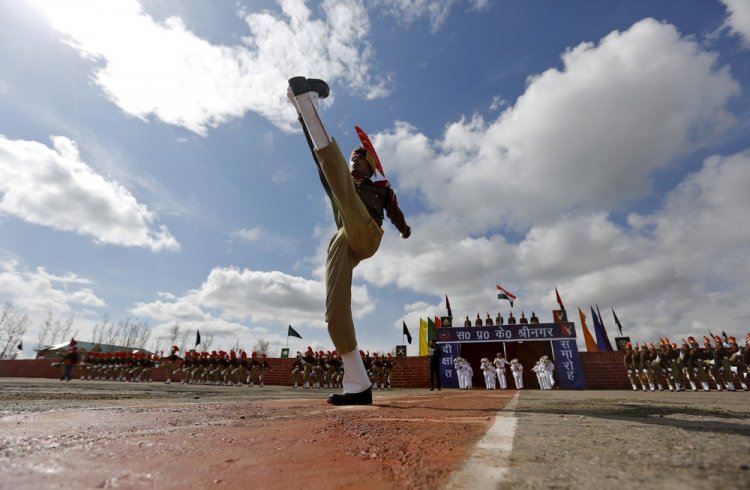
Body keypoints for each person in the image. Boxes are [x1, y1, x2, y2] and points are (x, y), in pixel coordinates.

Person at [288, 77, 411, 406]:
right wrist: (303, 117)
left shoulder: (381, 189)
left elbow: (395, 212)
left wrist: (403, 227)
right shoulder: (342, 183)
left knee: (337, 176)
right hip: (346, 239)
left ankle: (306, 102)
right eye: (353, 158)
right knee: (334, 310)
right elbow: (322, 160)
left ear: (372, 167)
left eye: (361, 159)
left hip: (368, 235)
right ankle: (357, 381)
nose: (355, 161)